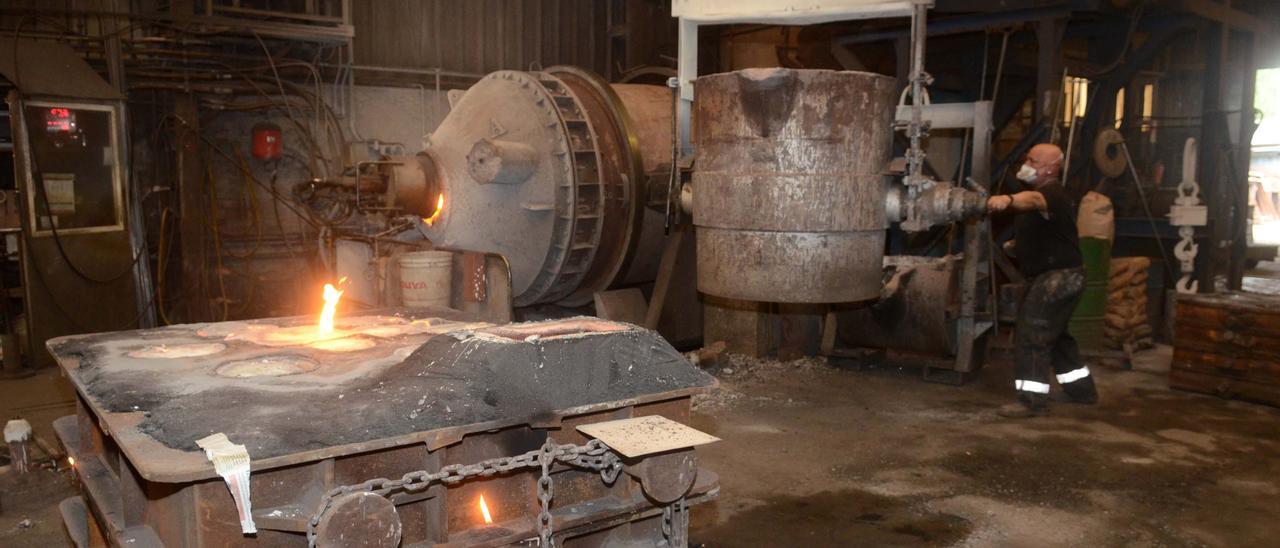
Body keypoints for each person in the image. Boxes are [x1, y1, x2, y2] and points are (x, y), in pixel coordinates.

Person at [987, 143, 1099, 417]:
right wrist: (1019, 245)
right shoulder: (1043, 197)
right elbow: (1046, 232)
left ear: (1050, 168)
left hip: (1058, 278)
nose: (1027, 163)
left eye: (1034, 161)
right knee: (1056, 335)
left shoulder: (1050, 193)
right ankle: (1083, 391)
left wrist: (1008, 200)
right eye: (1027, 158)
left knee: (1032, 332)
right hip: (1061, 276)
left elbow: (1034, 202)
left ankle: (1030, 400)